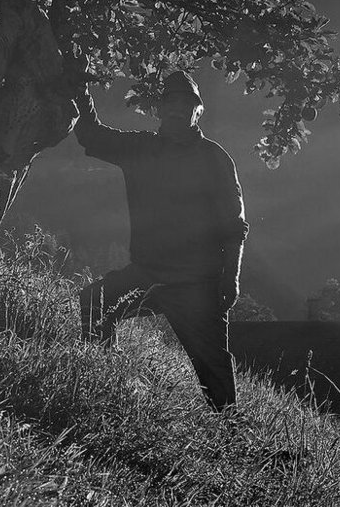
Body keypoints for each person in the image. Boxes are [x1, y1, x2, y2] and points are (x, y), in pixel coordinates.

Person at [74, 70, 248, 410]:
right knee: (93, 302)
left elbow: (235, 225)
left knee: (215, 378)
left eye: (187, 103)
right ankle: (107, 390)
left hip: (198, 284)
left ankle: (233, 434)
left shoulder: (214, 158)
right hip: (147, 274)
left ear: (199, 111)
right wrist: (79, 91)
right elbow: (91, 135)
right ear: (159, 109)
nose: (177, 108)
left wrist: (232, 277)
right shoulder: (140, 147)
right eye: (170, 102)